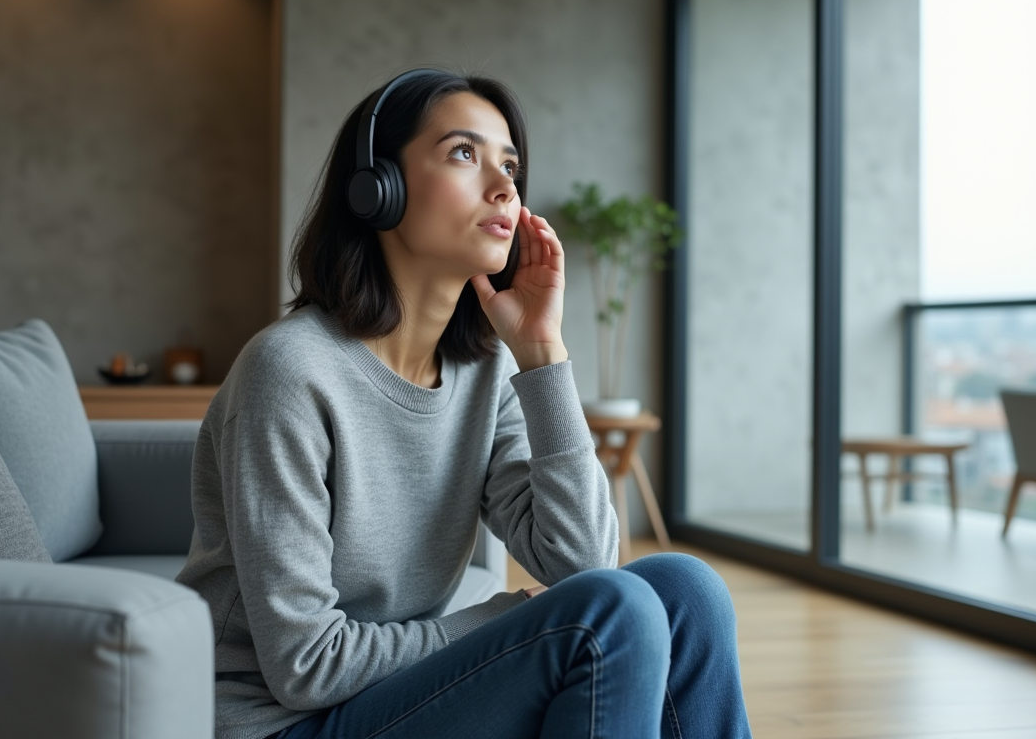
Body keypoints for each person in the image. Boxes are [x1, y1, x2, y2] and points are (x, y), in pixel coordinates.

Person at [175, 68, 752, 739]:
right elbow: (305, 667)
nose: (504, 185)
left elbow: (586, 566)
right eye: (463, 153)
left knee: (687, 591)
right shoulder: (290, 372)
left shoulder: (483, 371)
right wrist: (504, 618)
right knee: (610, 611)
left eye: (509, 163)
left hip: (396, 695)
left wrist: (543, 351)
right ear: (378, 190)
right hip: (280, 724)